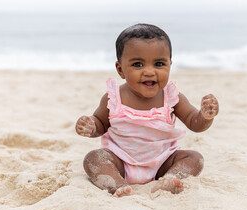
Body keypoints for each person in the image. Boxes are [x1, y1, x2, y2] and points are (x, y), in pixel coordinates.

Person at [75, 23, 219, 197]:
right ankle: (118, 185)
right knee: (94, 159)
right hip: (121, 161)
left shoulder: (172, 98)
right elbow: (100, 123)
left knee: (195, 159)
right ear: (121, 70)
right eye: (137, 64)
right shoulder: (113, 98)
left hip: (163, 162)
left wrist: (205, 116)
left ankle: (169, 179)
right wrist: (91, 126)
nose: (149, 72)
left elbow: (194, 123)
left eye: (159, 63)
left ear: (169, 65)